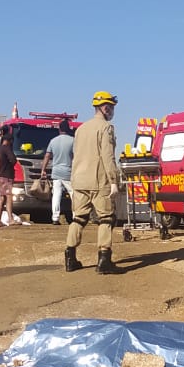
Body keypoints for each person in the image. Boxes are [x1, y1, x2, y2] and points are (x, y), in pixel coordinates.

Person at [65, 91, 122, 273]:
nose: (112, 110)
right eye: (111, 107)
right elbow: (107, 156)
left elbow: (75, 156)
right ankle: (104, 261)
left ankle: (70, 257)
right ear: (105, 108)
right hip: (99, 180)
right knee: (106, 218)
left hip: (79, 180)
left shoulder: (81, 128)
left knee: (79, 218)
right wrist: (114, 180)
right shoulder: (106, 128)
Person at [40, 119, 75, 224]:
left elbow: (47, 156)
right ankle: (76, 216)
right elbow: (75, 156)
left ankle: (55, 218)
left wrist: (43, 170)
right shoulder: (72, 140)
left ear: (59, 129)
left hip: (56, 172)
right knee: (74, 194)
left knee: (56, 195)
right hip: (68, 172)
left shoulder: (53, 141)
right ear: (68, 129)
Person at [0, 128, 18, 227]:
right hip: (7, 176)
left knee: (2, 198)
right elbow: (13, 159)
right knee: (9, 198)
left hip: (0, 177)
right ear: (9, 141)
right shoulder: (7, 148)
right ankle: (11, 219)